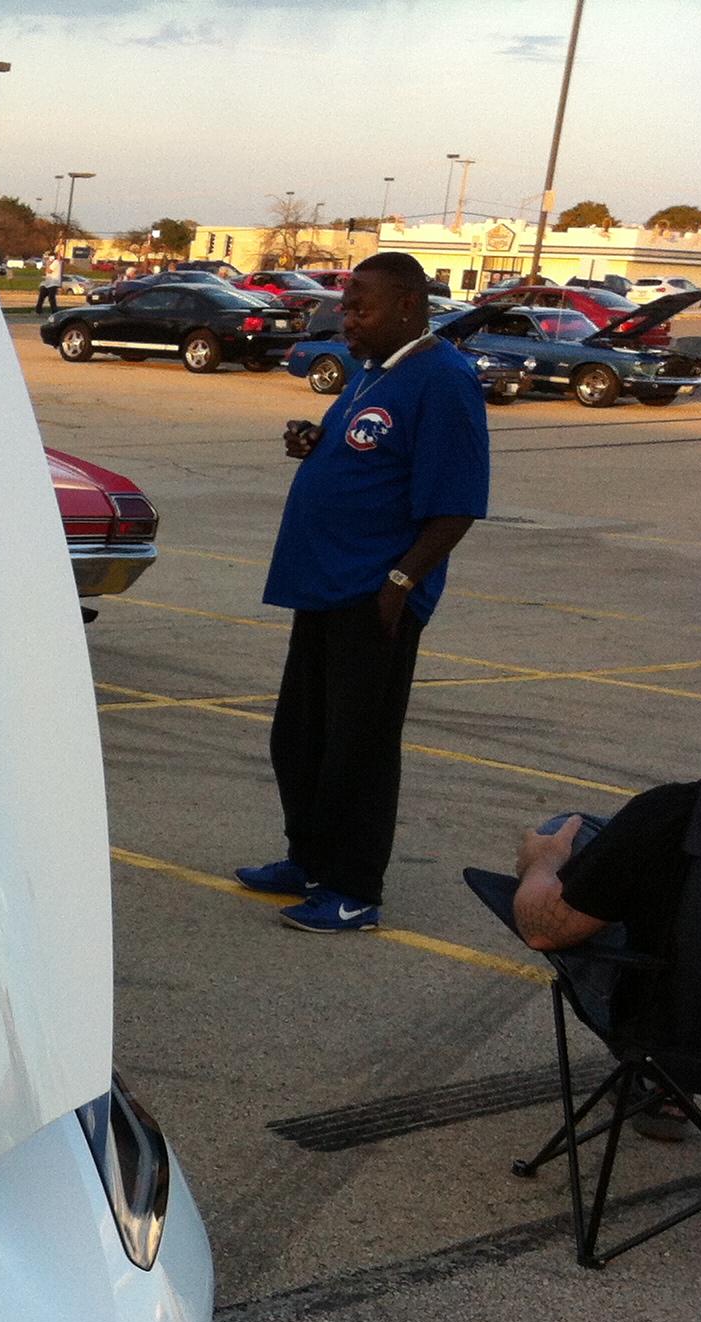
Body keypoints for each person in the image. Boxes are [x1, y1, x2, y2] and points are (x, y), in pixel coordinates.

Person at [235, 250, 488, 933]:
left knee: (360, 748)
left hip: (374, 594)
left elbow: (458, 504)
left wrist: (401, 581)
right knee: (300, 739)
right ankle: (308, 860)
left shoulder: (444, 381)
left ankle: (353, 888)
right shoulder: (376, 371)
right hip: (323, 584)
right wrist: (314, 441)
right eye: (344, 306)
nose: (345, 319)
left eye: (359, 308)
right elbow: (367, 448)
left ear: (407, 305)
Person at [473, 725, 701, 1137]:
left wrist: (543, 862)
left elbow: (543, 931)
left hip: (672, 1036)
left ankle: (661, 1082)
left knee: (567, 833)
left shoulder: (672, 813)